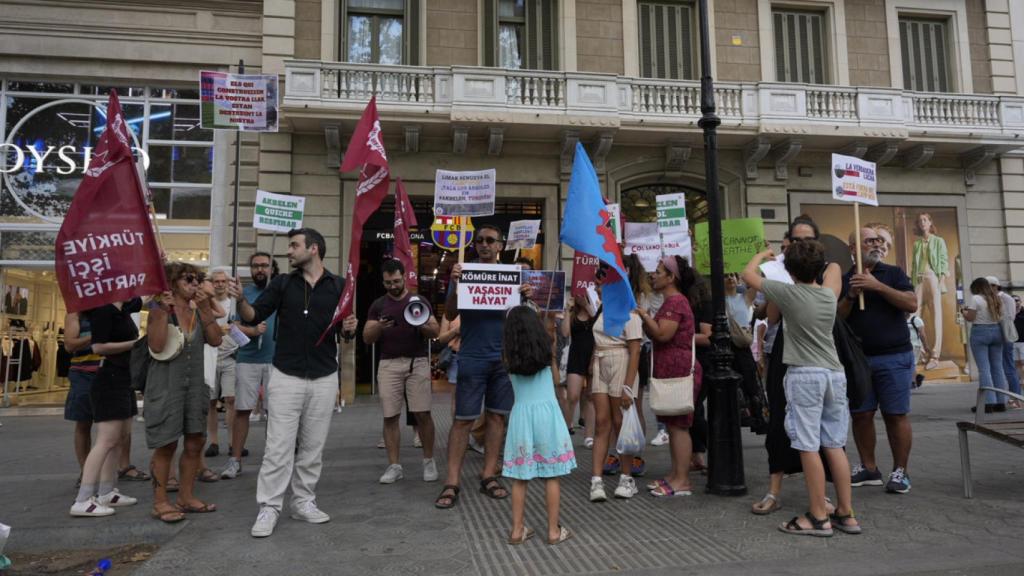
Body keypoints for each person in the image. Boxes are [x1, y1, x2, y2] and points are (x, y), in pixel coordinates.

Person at [230, 228, 356, 537]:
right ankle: (269, 507)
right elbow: (254, 313)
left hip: (325, 377)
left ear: (313, 249)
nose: (289, 251)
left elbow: (345, 335)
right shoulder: (282, 283)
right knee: (278, 447)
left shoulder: (339, 285)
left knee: (313, 447)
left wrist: (351, 327)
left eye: (294, 245)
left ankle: (303, 502)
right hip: (286, 376)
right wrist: (241, 300)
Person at [744, 239, 860, 537]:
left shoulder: (787, 293)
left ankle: (818, 516)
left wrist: (764, 255)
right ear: (818, 269)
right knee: (834, 444)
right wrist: (823, 259)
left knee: (808, 446)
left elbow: (748, 275)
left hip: (804, 375)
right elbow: (835, 267)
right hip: (834, 374)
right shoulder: (828, 294)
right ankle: (846, 513)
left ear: (789, 271)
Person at [434, 225, 531, 509]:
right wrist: (455, 285)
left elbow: (524, 317)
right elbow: (451, 313)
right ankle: (451, 482)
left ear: (501, 245)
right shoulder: (463, 272)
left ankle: (489, 475)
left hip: (502, 358)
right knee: (463, 419)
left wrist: (526, 294)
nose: (484, 245)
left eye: (490, 240)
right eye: (479, 241)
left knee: (497, 418)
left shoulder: (513, 275)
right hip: (472, 356)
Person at [752, 217, 843, 515]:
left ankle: (822, 501)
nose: (801, 244)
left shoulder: (830, 269)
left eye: (807, 240)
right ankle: (775, 489)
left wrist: (788, 278)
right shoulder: (782, 272)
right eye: (796, 240)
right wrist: (778, 279)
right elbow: (773, 316)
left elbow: (820, 302)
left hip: (813, 353)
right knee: (780, 420)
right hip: (786, 350)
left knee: (820, 434)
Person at [840, 226, 919, 494]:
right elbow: (836, 317)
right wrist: (852, 294)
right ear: (853, 249)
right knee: (861, 414)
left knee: (895, 415)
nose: (875, 244)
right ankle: (868, 467)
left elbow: (911, 303)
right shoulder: (844, 278)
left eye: (877, 240)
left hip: (894, 356)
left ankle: (901, 472)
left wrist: (878, 286)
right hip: (859, 359)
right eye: (867, 241)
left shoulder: (893, 273)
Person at [145, 264, 225, 523]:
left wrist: (205, 309)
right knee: (166, 443)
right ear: (172, 282)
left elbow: (215, 340)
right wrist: (162, 311)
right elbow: (156, 346)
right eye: (189, 279)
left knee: (195, 442)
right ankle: (160, 502)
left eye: (198, 279)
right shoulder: (159, 310)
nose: (195, 284)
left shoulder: (198, 310)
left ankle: (186, 496)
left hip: (194, 387)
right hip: (166, 385)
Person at [502, 305, 576, 546]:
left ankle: (517, 530)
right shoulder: (546, 352)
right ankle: (554, 531)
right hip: (547, 415)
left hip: (521, 416)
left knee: (519, 477)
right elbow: (556, 381)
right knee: (552, 475)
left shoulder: (509, 355)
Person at [363, 259, 440, 484]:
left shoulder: (419, 300)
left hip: (417, 362)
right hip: (389, 364)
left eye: (396, 281)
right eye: (388, 283)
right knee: (390, 416)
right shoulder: (378, 305)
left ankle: (429, 461)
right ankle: (394, 466)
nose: (392, 286)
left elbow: (435, 331)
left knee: (422, 413)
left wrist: (421, 324)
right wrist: (379, 326)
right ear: (383, 281)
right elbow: (367, 338)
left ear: (404, 277)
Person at [68, 299, 144, 517]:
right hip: (109, 377)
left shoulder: (122, 308)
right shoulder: (104, 310)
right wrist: (134, 344)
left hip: (122, 376)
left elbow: (144, 298)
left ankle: (106, 491)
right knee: (106, 440)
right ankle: (83, 499)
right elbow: (99, 346)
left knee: (119, 438)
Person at [637, 255, 701, 497]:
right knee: (673, 425)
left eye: (658, 271)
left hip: (679, 370)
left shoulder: (675, 302)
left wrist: (644, 317)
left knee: (679, 427)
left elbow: (663, 334)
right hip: (671, 369)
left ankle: (682, 480)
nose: (653, 275)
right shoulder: (671, 301)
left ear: (671, 277)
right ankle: (675, 475)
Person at [588, 263, 643, 502]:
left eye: (600, 283)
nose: (596, 287)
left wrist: (628, 386)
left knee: (620, 422)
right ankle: (597, 480)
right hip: (601, 362)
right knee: (601, 421)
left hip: (620, 360)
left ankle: (626, 477)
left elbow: (635, 350)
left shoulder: (630, 311)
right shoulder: (602, 310)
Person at [222, 252, 278, 479]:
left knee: (276, 413)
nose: (260, 270)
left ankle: (274, 459)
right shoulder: (243, 294)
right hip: (248, 359)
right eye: (255, 266)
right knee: (242, 410)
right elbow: (232, 327)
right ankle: (235, 459)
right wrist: (252, 332)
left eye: (265, 265)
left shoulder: (279, 292)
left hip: (277, 360)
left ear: (273, 268)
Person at [205, 269, 240, 460]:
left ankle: (233, 442)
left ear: (227, 283)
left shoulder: (233, 303)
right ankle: (213, 441)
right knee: (210, 401)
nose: (219, 284)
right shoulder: (205, 303)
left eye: (222, 281)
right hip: (210, 355)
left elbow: (241, 325)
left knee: (231, 400)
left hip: (229, 356)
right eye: (215, 281)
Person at [962, 278, 1009, 413]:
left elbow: (970, 317)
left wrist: (964, 312)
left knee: (984, 369)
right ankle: (1001, 402)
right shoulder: (996, 298)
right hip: (997, 332)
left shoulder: (975, 298)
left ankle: (988, 403)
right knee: (997, 367)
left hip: (980, 332)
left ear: (976, 288)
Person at [911, 213, 949, 370]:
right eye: (920, 221)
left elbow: (943, 260)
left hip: (933, 277)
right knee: (914, 317)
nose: (922, 223)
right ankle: (919, 354)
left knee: (936, 317)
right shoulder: (917, 244)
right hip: (919, 280)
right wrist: (913, 282)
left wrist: (941, 280)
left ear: (930, 222)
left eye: (925, 220)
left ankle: (935, 355)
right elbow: (914, 265)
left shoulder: (939, 241)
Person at [560, 292, 596, 446]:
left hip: (593, 356)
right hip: (576, 356)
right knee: (573, 396)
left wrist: (588, 305)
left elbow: (601, 327)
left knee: (590, 397)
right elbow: (565, 333)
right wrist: (568, 310)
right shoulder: (573, 314)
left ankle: (589, 436)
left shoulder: (595, 311)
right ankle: (565, 430)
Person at [987, 277, 1022, 407]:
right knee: (1000, 367)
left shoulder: (1005, 298)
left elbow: (1010, 317)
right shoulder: (996, 298)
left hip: (1005, 335)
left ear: (994, 286)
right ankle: (1006, 397)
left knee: (1008, 366)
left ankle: (1015, 397)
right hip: (999, 334)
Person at [907, 313, 928, 389]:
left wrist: (926, 346)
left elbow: (922, 334)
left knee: (911, 364)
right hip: (904, 346)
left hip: (914, 346)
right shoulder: (899, 319)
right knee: (910, 364)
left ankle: (914, 381)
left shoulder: (917, 320)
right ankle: (916, 379)